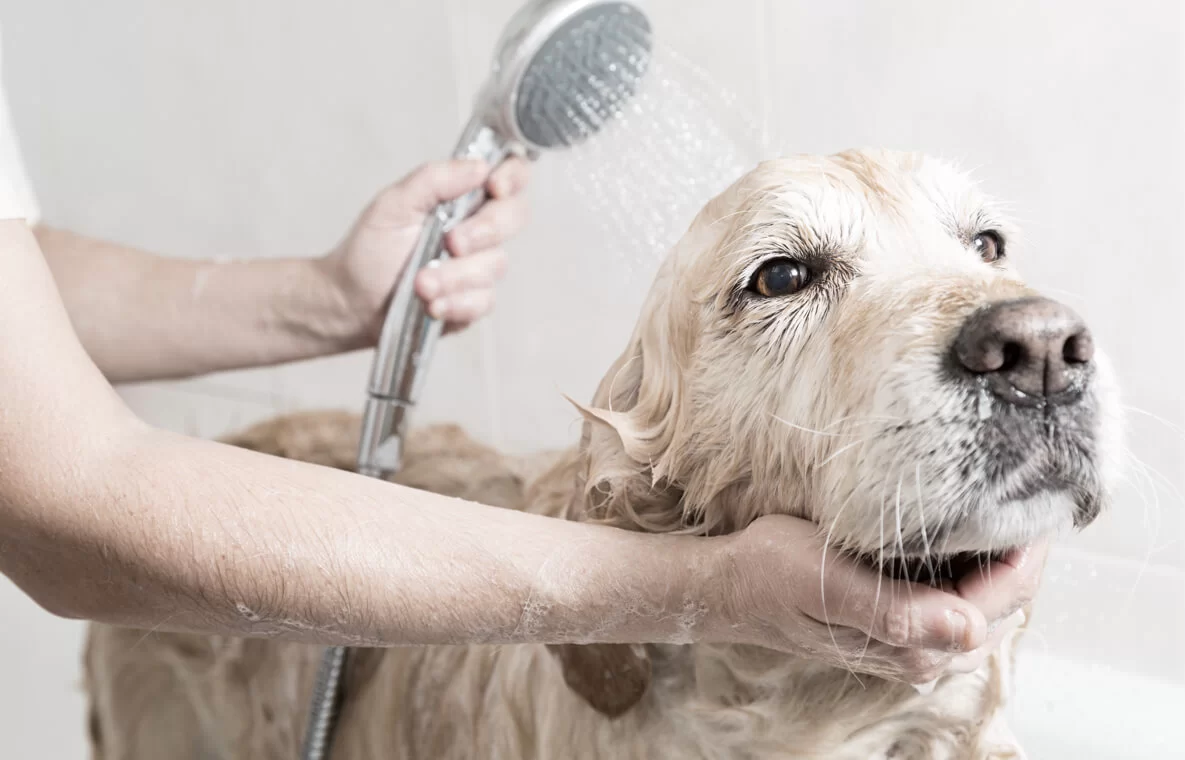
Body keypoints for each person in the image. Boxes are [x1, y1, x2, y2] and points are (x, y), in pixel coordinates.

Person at [0, 34, 1038, 687]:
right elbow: (62, 504)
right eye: (784, 276)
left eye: (983, 246)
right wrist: (700, 590)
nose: (1018, 328)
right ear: (648, 480)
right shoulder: (652, 540)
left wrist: (322, 298)